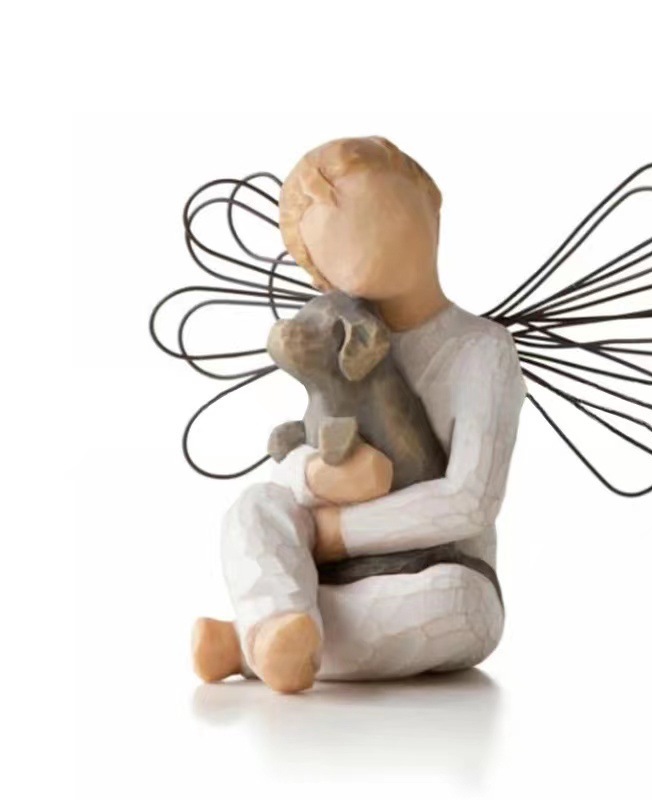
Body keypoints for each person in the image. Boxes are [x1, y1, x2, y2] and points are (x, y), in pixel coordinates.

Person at [192, 137, 526, 692]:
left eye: (388, 211)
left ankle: (256, 639)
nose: (376, 236)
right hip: (331, 574)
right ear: (321, 273)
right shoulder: (335, 330)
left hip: (440, 570)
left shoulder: (483, 350)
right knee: (252, 507)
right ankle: (281, 626)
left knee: (457, 605)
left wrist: (338, 533)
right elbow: (304, 448)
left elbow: (471, 501)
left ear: (431, 201)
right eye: (344, 239)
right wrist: (309, 474)